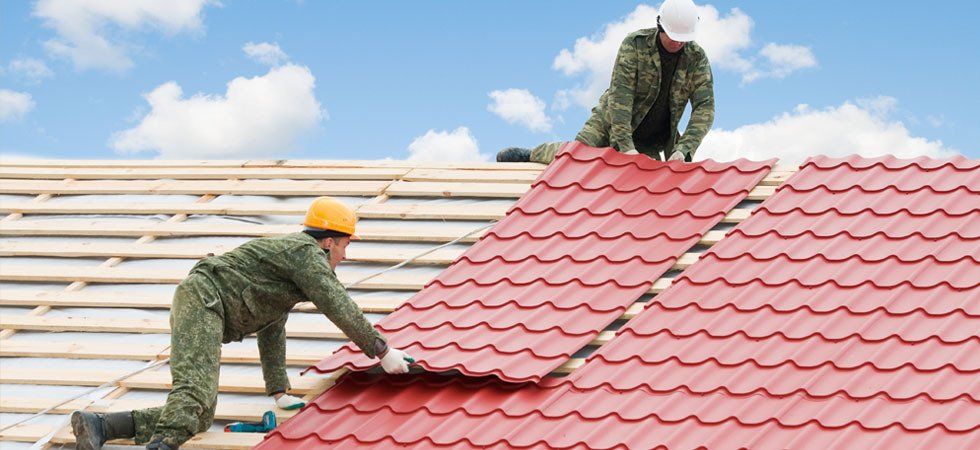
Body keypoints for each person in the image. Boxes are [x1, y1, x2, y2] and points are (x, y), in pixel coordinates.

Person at [70, 197, 414, 450]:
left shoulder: (287, 276)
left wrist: (278, 391)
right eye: (344, 245)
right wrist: (381, 350)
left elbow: (272, 326)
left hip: (208, 306)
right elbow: (337, 303)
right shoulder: (306, 254)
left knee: (201, 415)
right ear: (328, 241)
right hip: (205, 300)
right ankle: (161, 446)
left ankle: (101, 425)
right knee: (193, 395)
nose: (345, 255)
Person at [497, 0, 714, 164]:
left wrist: (684, 149)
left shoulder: (696, 59)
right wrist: (625, 147)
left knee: (646, 181)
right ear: (660, 26)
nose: (677, 42)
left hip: (651, 138)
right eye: (673, 35)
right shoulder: (635, 46)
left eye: (683, 39)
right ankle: (532, 154)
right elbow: (621, 97)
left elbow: (704, 109)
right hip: (611, 120)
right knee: (577, 159)